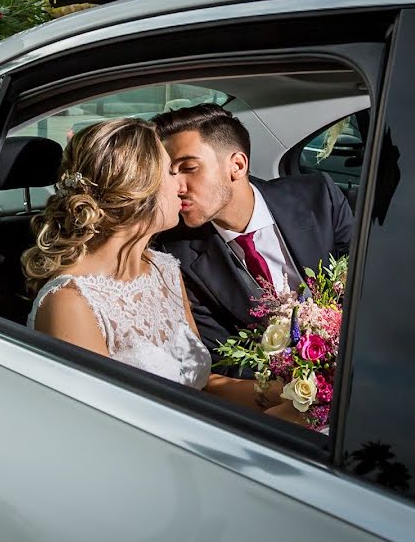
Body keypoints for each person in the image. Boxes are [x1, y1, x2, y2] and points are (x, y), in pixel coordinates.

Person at [22, 118, 296, 418]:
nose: (182, 185)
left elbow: (201, 386)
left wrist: (290, 393)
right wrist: (272, 423)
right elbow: (101, 428)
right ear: (137, 187)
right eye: (170, 171)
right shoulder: (70, 302)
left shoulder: (164, 269)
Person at [153, 104, 353, 357]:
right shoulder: (177, 253)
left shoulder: (319, 197)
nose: (176, 187)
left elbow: (367, 286)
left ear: (237, 165)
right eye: (169, 175)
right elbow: (220, 357)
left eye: (189, 168)